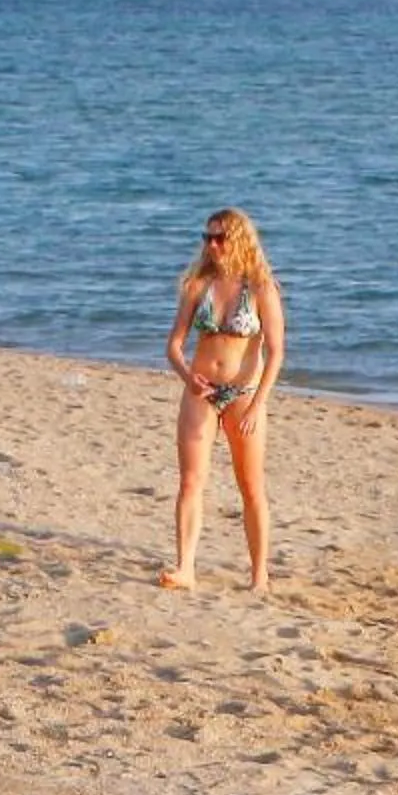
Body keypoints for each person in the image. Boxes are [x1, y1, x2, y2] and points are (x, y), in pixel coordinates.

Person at [160, 207, 287, 591]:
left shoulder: (261, 288)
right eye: (207, 237)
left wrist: (258, 402)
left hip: (244, 393)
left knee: (250, 486)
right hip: (201, 390)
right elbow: (174, 344)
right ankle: (185, 567)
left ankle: (259, 574)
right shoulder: (198, 285)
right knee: (190, 481)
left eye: (220, 237)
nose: (211, 245)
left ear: (240, 240)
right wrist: (187, 377)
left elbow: (277, 351)